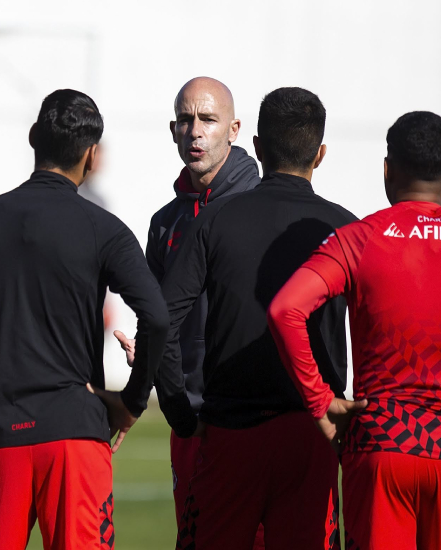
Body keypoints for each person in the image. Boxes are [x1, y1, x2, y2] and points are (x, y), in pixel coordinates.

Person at [0, 89, 168, 549]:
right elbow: (157, 318)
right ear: (91, 156)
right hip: (76, 436)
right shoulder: (104, 228)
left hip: (0, 437)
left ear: (33, 137)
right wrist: (132, 402)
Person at [155, 87, 356, 549]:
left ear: (258, 147)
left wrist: (180, 413)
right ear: (320, 154)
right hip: (313, 432)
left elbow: (159, 322)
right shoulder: (347, 228)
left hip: (230, 434)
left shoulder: (214, 220)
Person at [268, 111, 441, 549]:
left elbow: (286, 309)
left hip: (385, 439)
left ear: (388, 171)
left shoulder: (360, 238)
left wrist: (320, 401)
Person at [113, 77, 262, 543]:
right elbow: (160, 318)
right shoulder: (166, 222)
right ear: (173, 130)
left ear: (234, 129)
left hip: (252, 419)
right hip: (189, 419)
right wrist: (150, 354)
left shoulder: (260, 208)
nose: (195, 131)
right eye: (185, 120)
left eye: (208, 119)